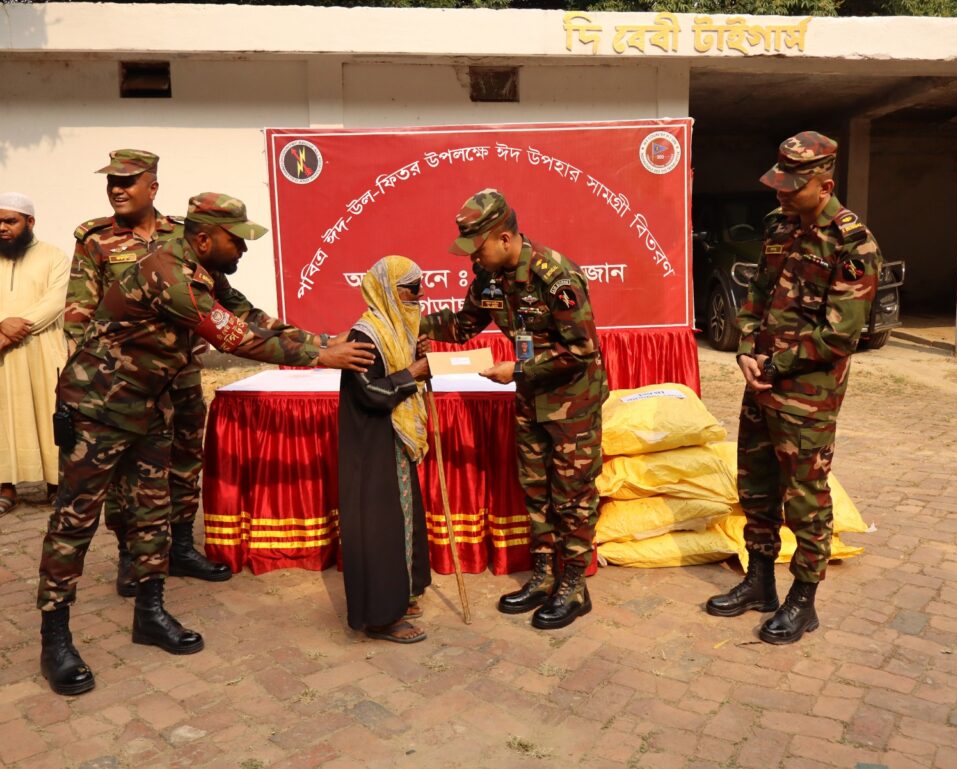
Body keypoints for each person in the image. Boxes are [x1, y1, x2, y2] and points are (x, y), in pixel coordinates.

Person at [38, 192, 376, 696]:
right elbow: (234, 337)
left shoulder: (205, 271)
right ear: (203, 238)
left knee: (153, 511)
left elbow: (252, 316)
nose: (242, 250)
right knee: (75, 519)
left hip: (150, 405)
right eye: (235, 240)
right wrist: (320, 358)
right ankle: (55, 638)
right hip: (99, 409)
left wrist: (322, 342)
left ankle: (149, 614)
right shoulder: (168, 274)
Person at [705, 131, 882, 644]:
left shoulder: (854, 245)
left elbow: (841, 335)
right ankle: (758, 581)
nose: (780, 192)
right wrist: (743, 346)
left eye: (792, 185)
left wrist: (774, 362)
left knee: (805, 496)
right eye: (778, 182)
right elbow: (759, 288)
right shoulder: (778, 225)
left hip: (808, 394)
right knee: (756, 485)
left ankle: (802, 601)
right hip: (761, 379)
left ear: (824, 185)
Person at [420, 189, 607, 630]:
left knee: (573, 497)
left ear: (505, 238)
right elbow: (463, 325)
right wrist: (409, 320)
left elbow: (582, 351)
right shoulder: (488, 277)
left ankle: (574, 587)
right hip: (529, 400)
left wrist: (518, 369)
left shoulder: (555, 276)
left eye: (477, 247)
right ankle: (543, 576)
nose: (472, 257)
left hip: (571, 405)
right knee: (536, 490)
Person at [66, 148, 230, 595]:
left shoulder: (183, 234)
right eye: (111, 183)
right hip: (127, 385)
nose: (116, 190)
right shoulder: (95, 238)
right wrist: (95, 381)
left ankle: (179, 546)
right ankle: (130, 557)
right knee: (128, 473)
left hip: (182, 375)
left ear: (152, 187)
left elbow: (215, 299)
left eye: (127, 182)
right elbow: (78, 315)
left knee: (184, 459)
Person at [339, 256, 432, 644]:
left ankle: (402, 593)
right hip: (371, 443)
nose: (419, 299)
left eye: (421, 291)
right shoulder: (365, 336)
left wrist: (414, 356)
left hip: (391, 439)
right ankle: (380, 616)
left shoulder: (393, 331)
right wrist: (413, 373)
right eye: (412, 292)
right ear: (392, 292)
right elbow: (372, 393)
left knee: (402, 519)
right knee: (379, 527)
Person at [0, 193, 70, 514]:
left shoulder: (55, 257)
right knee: (4, 418)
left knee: (48, 414)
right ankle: (5, 488)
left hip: (43, 348)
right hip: (3, 355)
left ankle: (57, 485)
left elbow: (55, 303)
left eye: (10, 221)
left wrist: (11, 330)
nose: (2, 228)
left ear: (30, 222)